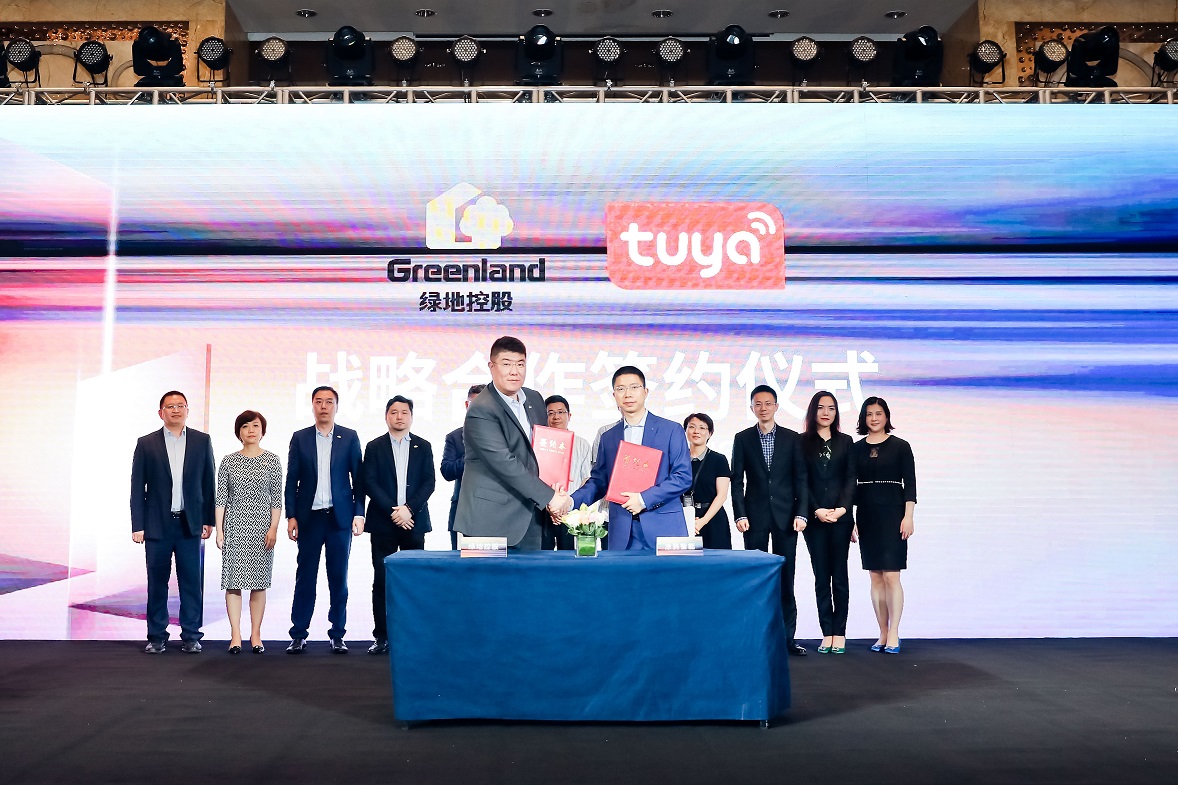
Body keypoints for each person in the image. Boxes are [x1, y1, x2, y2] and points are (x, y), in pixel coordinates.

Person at [453, 336, 568, 551]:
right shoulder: (481, 410)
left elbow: (542, 453)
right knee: (486, 575)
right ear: (492, 367)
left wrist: (553, 490)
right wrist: (550, 498)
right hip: (489, 522)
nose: (514, 371)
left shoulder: (534, 399)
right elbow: (504, 463)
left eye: (520, 364)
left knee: (530, 574)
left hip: (531, 517)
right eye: (506, 364)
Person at [565, 366, 692, 550]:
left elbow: (682, 477)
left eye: (634, 387)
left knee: (670, 572)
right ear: (614, 395)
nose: (628, 394)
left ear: (645, 392)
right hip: (623, 531)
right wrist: (570, 502)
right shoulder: (608, 437)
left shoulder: (671, 430)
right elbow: (599, 482)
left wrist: (643, 499)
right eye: (621, 389)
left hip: (665, 529)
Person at [129, 391, 215, 654]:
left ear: (187, 410)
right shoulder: (146, 443)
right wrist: (138, 524)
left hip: (190, 524)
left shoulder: (202, 441)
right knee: (157, 582)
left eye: (180, 406)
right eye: (170, 406)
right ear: (161, 413)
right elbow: (137, 487)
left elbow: (208, 482)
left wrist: (208, 519)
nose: (175, 410)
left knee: (191, 582)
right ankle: (157, 636)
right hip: (157, 525)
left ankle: (191, 636)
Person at [284, 385, 365, 654]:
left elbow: (359, 480)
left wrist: (359, 513)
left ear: (336, 406)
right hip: (309, 519)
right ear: (312, 406)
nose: (323, 406)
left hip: (339, 519)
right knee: (305, 577)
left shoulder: (349, 437)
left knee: (338, 578)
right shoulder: (300, 438)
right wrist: (291, 515)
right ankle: (298, 634)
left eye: (329, 402)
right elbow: (291, 481)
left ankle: (337, 633)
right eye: (318, 401)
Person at [730, 384, 809, 656]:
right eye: (758, 404)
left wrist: (802, 512)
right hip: (753, 517)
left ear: (776, 406)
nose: (763, 408)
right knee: (755, 577)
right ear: (752, 407)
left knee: (786, 576)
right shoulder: (742, 438)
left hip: (787, 517)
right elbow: (737, 481)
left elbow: (801, 478)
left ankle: (787, 639)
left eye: (768, 403)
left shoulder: (792, 438)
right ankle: (755, 639)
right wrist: (740, 513)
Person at [361, 395, 435, 655]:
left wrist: (408, 510)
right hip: (384, 523)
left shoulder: (423, 446)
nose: (399, 416)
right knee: (382, 580)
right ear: (386, 416)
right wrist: (394, 511)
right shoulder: (374, 446)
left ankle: (414, 635)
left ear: (411, 416)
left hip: (414, 522)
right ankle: (382, 637)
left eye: (404, 412)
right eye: (394, 412)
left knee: (414, 580)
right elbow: (369, 482)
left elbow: (429, 482)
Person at [851, 396, 916, 654]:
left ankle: (894, 632)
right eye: (869, 414)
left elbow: (910, 484)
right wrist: (850, 520)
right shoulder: (855, 449)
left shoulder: (901, 446)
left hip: (893, 514)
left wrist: (908, 516)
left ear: (886, 416)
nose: (874, 418)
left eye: (878, 413)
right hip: (866, 514)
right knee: (875, 576)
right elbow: (850, 486)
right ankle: (882, 632)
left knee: (891, 574)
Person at [214, 410, 282, 655]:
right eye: (245, 426)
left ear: (263, 431)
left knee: (258, 583)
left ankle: (256, 634)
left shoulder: (272, 460)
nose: (251, 430)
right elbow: (221, 498)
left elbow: (277, 499)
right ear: (238, 432)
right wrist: (220, 530)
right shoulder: (228, 461)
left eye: (255, 426)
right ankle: (235, 635)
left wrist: (273, 528)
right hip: (235, 526)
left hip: (262, 528)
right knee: (233, 583)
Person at [800, 392, 855, 655]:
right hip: (815, 519)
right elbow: (801, 481)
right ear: (813, 411)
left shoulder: (846, 441)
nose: (826, 413)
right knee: (821, 577)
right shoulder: (801, 442)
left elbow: (851, 478)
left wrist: (843, 509)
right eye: (821, 408)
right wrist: (816, 509)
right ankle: (827, 632)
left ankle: (840, 632)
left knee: (839, 576)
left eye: (831, 408)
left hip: (841, 518)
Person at [541, 394, 593, 550]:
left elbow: (586, 479)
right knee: (542, 556)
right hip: (543, 510)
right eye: (550, 413)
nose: (556, 417)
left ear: (569, 415)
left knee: (569, 556)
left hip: (571, 512)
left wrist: (567, 505)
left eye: (560, 412)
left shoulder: (582, 444)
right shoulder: (539, 442)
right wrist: (549, 505)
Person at [440, 384, 484, 549]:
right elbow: (447, 471)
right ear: (467, 405)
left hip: (495, 512)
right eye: (475, 404)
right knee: (462, 561)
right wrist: (473, 453)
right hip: (463, 511)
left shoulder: (503, 436)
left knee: (492, 560)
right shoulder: (454, 437)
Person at [682, 413, 732, 550]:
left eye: (702, 428)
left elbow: (722, 495)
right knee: (684, 560)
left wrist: (702, 522)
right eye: (692, 427)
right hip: (684, 520)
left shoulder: (719, 460)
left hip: (712, 520)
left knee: (716, 561)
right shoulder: (678, 459)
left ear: (710, 433)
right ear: (685, 430)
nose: (696, 431)